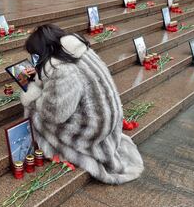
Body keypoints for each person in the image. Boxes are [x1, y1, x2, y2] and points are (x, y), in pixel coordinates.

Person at [20, 24, 144, 184]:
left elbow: (54, 114)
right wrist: (41, 76)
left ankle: (62, 147)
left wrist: (31, 91)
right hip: (108, 119)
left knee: (33, 110)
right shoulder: (79, 51)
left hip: (91, 130)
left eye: (36, 55)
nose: (35, 59)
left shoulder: (62, 70)